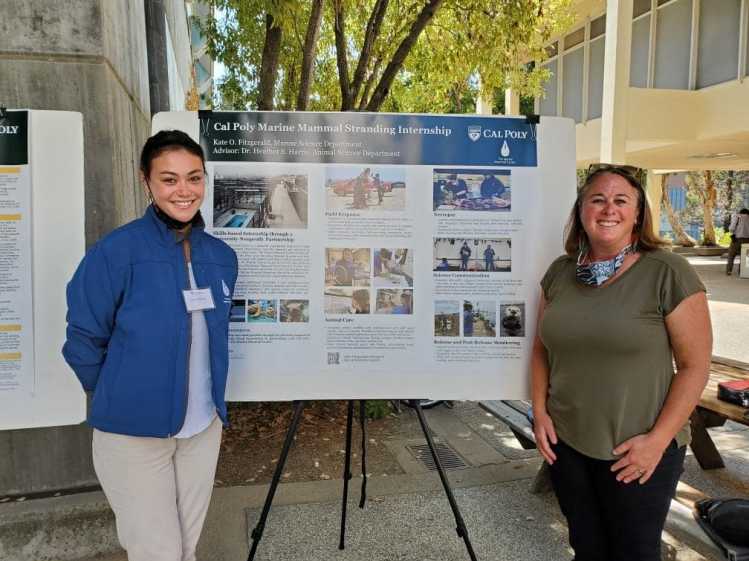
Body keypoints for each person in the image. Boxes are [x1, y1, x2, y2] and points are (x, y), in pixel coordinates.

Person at [62, 130, 239, 561]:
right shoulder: (115, 252)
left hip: (201, 429)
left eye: (194, 178)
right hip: (132, 434)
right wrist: (117, 393)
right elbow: (83, 339)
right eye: (170, 179)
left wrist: (213, 409)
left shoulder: (221, 256)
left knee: (185, 547)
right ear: (147, 182)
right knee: (156, 553)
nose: (184, 190)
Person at [531, 164, 712, 561]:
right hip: (567, 443)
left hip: (637, 449)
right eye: (597, 199)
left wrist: (658, 440)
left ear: (637, 214)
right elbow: (542, 348)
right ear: (581, 212)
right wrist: (540, 411)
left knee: (634, 553)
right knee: (587, 548)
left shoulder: (667, 272)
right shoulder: (560, 274)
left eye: (620, 200)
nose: (608, 208)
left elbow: (695, 366)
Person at [726, 208, 749, 275]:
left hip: (736, 239)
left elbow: (731, 229)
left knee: (731, 255)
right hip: (747, 240)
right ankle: (742, 272)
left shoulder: (737, 217)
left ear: (740, 212)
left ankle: (729, 270)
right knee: (745, 256)